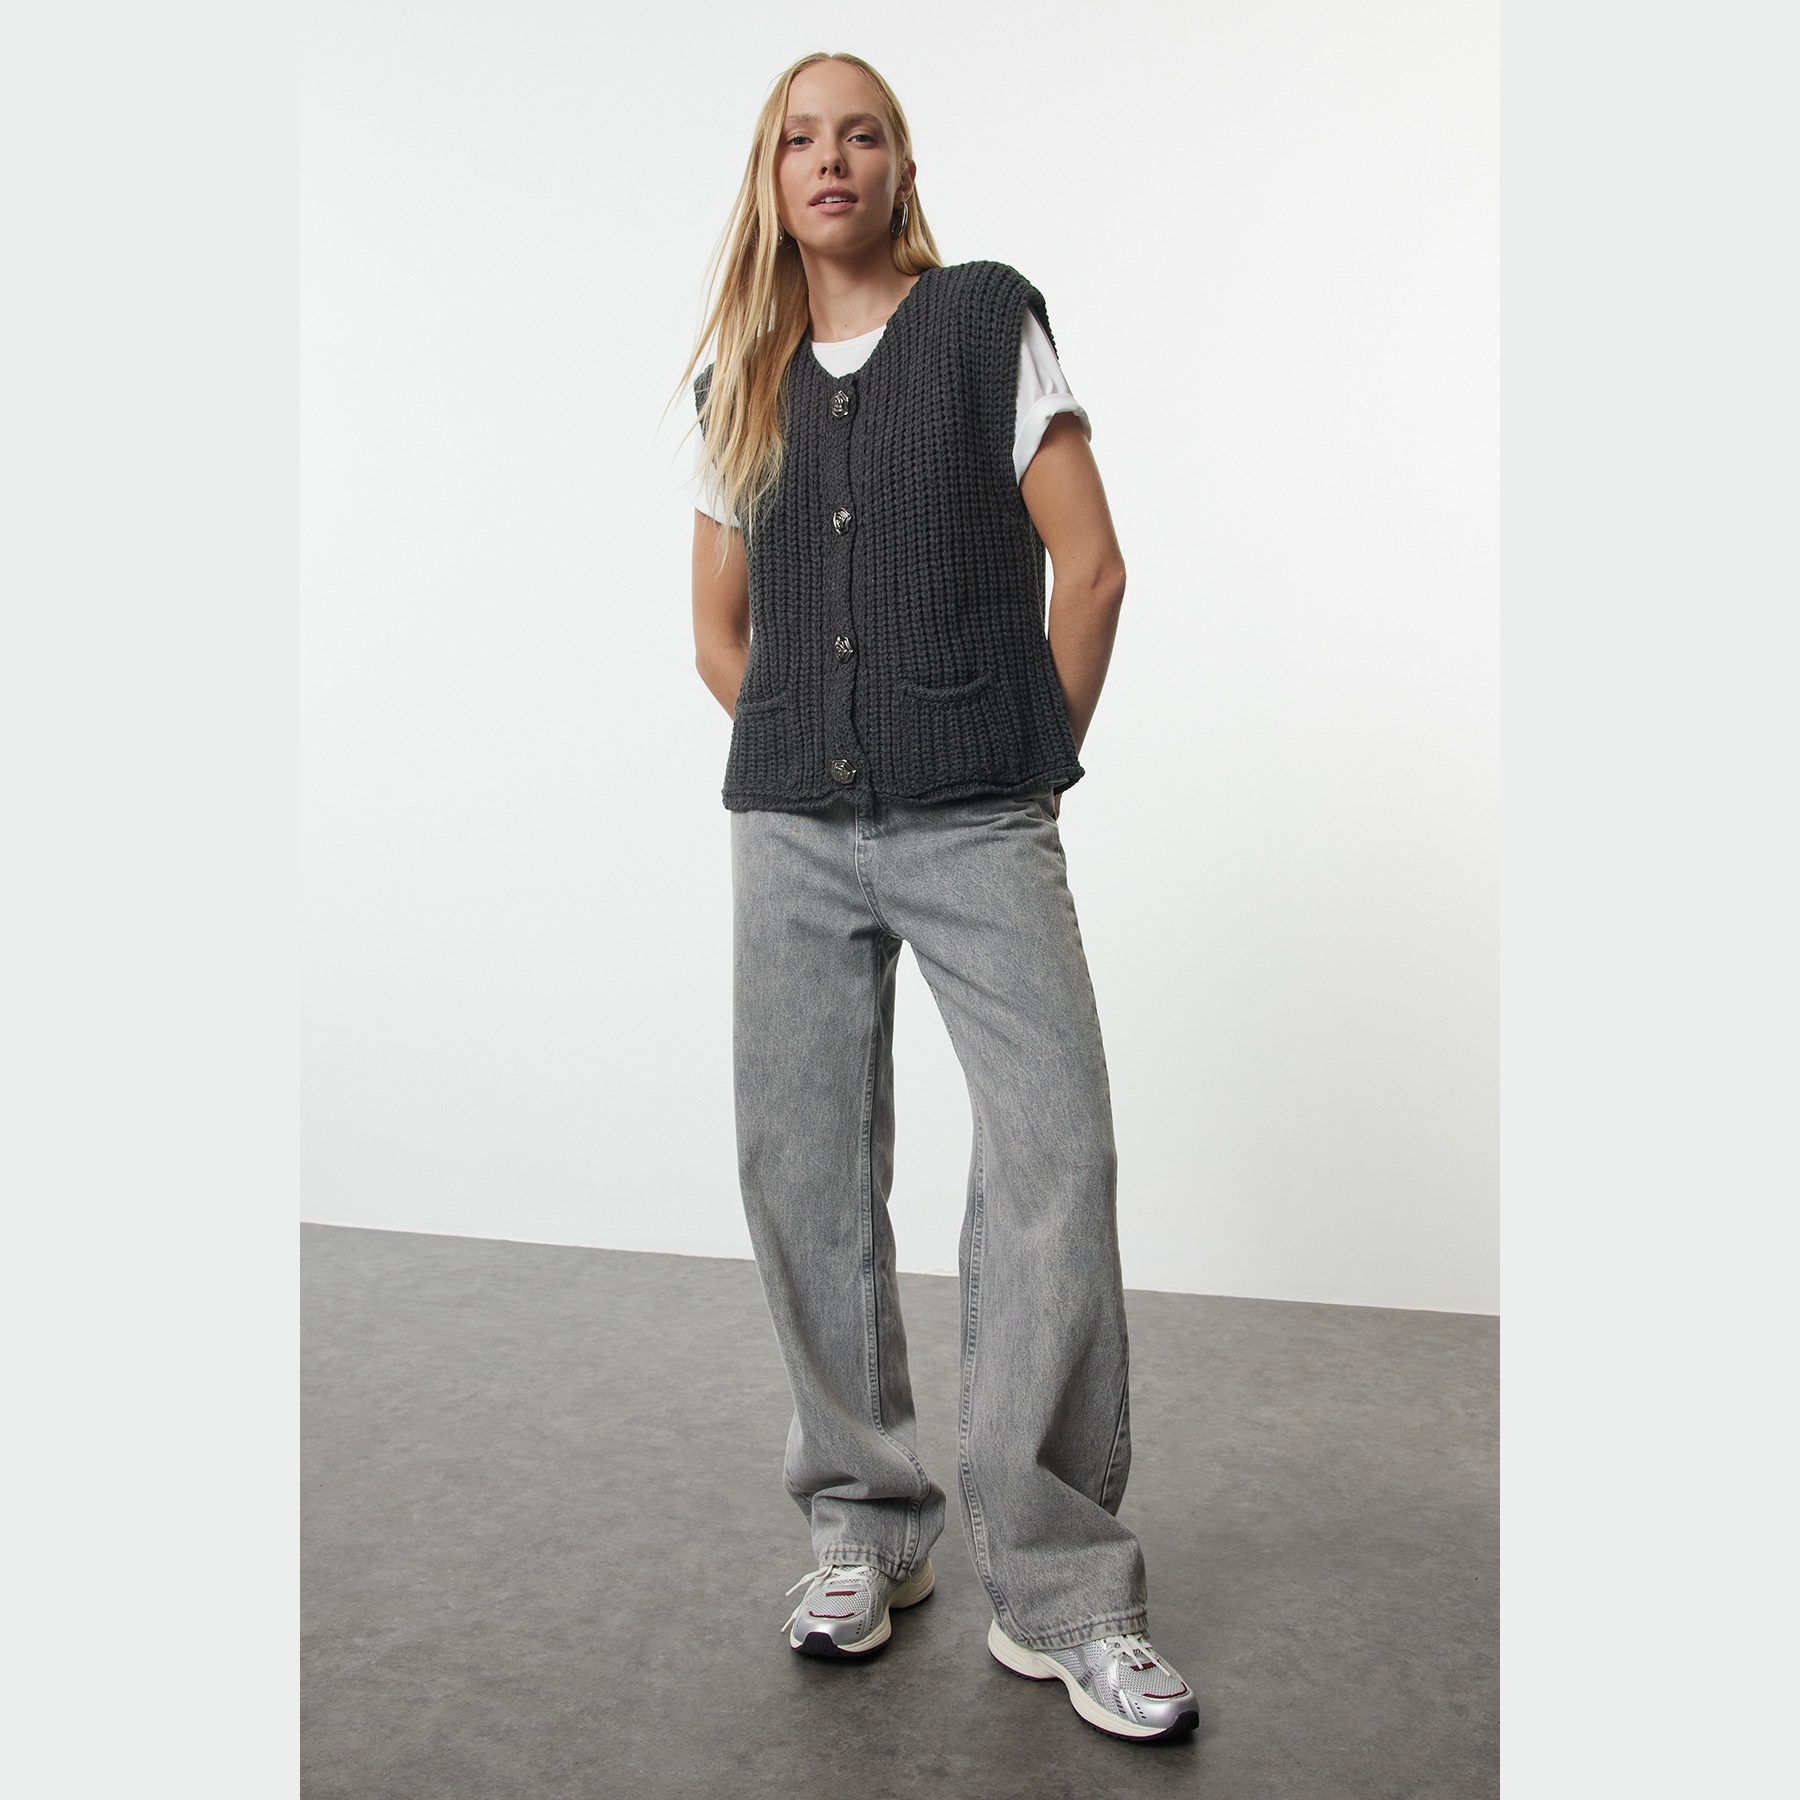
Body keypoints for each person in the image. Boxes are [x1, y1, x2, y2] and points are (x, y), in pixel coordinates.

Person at [678, 50, 1197, 1744]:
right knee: (805, 1175)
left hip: (979, 819)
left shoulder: (984, 322)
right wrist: (803, 743)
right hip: (790, 833)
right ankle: (863, 1529)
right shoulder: (742, 375)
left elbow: (1092, 567)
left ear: (903, 165)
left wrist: (1021, 760)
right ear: (772, 178)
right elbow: (719, 634)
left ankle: (1061, 1588)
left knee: (1058, 1154)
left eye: (864, 134)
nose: (831, 159)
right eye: (801, 139)